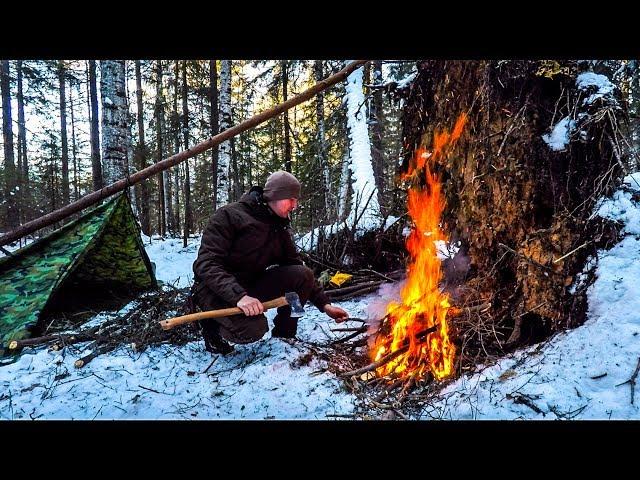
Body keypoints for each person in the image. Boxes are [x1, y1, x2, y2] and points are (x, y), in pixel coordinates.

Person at [192, 170, 349, 355]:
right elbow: (206, 264)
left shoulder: (278, 224)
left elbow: (296, 267)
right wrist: (239, 297)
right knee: (253, 330)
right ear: (276, 196)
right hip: (215, 291)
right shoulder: (228, 216)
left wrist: (325, 305)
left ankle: (285, 335)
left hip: (250, 285)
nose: (295, 205)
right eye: (291, 199)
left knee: (301, 274)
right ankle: (212, 328)